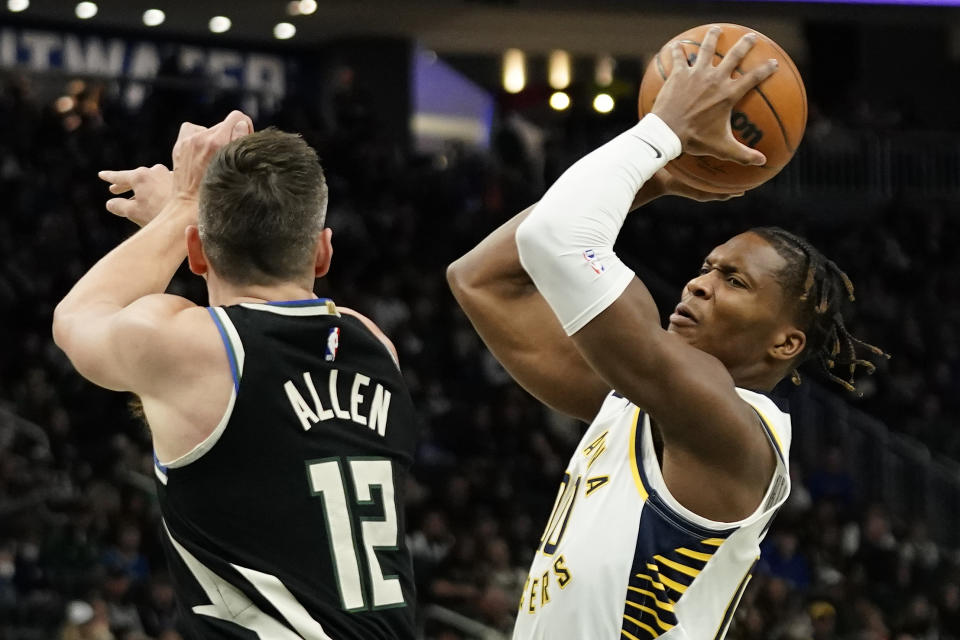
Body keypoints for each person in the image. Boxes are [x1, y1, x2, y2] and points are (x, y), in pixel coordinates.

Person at [447, 27, 885, 640]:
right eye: (705, 268)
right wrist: (658, 180)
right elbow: (481, 279)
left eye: (734, 280)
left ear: (786, 343)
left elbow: (556, 241)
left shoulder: (727, 426)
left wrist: (660, 135)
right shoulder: (636, 402)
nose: (698, 285)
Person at [53, 112, 418, 639]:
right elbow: (252, 327)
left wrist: (180, 209)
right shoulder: (376, 345)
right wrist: (196, 229)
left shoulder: (189, 350)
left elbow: (77, 319)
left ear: (196, 253)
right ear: (323, 251)